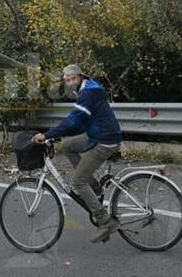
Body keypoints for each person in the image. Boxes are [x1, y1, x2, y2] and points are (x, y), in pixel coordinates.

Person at [33, 64, 123, 243]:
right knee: (68, 146)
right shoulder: (88, 88)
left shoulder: (88, 93)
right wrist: (60, 134)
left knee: (77, 181)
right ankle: (94, 187)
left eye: (73, 78)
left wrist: (47, 135)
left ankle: (105, 222)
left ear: (81, 76)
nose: (70, 82)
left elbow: (73, 120)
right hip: (97, 134)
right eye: (67, 80)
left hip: (105, 140)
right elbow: (80, 121)